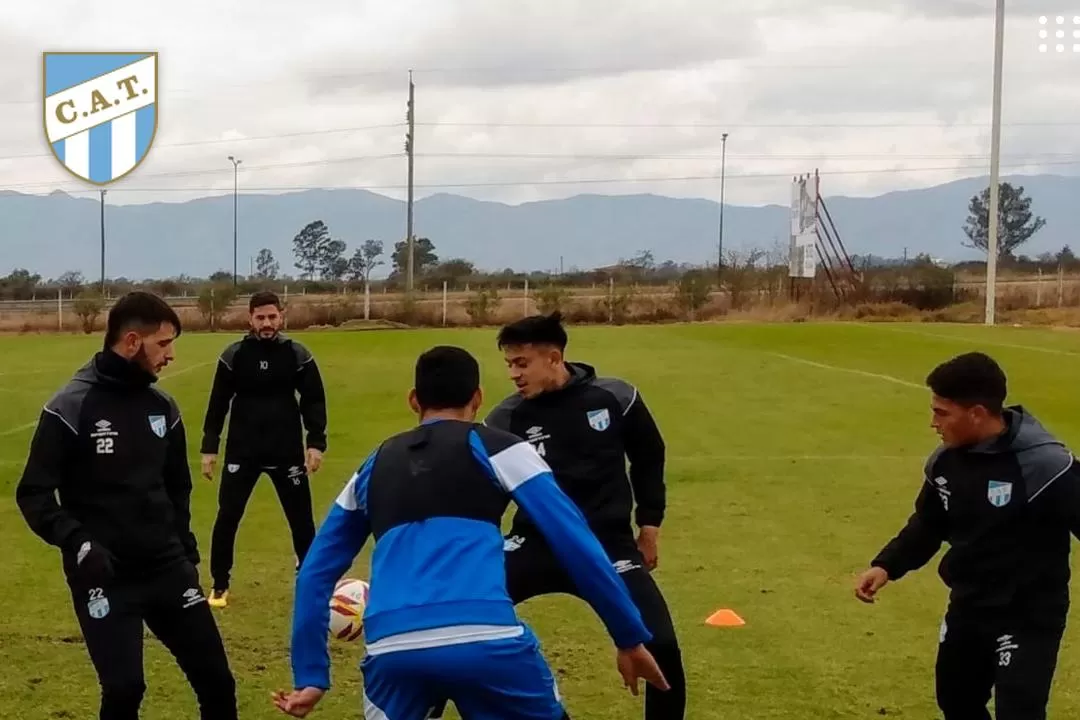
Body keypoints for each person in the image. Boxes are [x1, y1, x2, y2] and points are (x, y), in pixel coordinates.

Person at [272, 345, 669, 719]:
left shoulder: (372, 465)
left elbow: (314, 572)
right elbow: (576, 541)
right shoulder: (499, 447)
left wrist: (310, 674)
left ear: (414, 401)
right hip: (486, 639)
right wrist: (628, 636)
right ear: (478, 399)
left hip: (392, 650)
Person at [431, 311, 687, 720]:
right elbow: (481, 486)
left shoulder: (616, 397)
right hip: (534, 544)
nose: (513, 374)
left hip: (608, 546)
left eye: (522, 363)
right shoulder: (506, 417)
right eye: (509, 364)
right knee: (451, 620)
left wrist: (650, 525)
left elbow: (648, 456)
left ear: (554, 358)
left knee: (663, 645)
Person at [15, 291, 238, 720]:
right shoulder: (70, 407)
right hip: (105, 575)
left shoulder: (162, 407)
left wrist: (186, 552)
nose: (171, 355)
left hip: (166, 568)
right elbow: (34, 493)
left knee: (217, 682)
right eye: (164, 344)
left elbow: (178, 488)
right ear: (132, 341)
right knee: (124, 689)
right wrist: (78, 542)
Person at [855, 351, 1080, 720]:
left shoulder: (1045, 466)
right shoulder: (944, 461)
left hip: (1028, 613)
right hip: (969, 606)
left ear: (976, 413)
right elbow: (929, 524)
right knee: (957, 702)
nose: (933, 423)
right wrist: (886, 566)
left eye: (942, 413)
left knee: (1018, 711)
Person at [199, 290, 328, 607]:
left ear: (281, 316)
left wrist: (315, 443)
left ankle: (308, 577)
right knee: (228, 516)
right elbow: (218, 404)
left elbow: (313, 400)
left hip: (286, 451)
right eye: (261, 317)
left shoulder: (297, 355)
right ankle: (219, 583)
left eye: (272, 317)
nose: (267, 323)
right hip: (243, 451)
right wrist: (209, 447)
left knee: (301, 520)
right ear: (250, 319)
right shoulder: (234, 356)